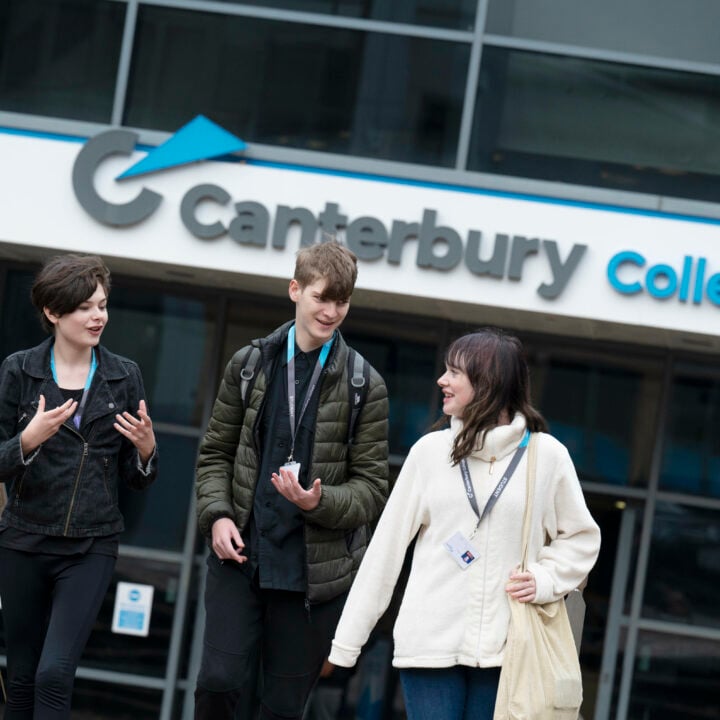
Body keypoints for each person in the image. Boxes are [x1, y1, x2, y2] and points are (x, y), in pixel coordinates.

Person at [328, 328, 601, 720]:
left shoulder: (547, 457)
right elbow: (384, 553)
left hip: (509, 649)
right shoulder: (430, 453)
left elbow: (581, 538)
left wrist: (545, 579)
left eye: (455, 372)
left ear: (488, 383)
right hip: (429, 644)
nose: (442, 380)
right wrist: (347, 643)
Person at [194, 240, 389, 720]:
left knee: (282, 709)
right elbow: (215, 453)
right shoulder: (249, 364)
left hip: (311, 579)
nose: (331, 312)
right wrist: (217, 516)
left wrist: (315, 502)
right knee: (217, 683)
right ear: (295, 290)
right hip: (240, 557)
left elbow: (371, 492)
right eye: (321, 297)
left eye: (341, 302)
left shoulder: (366, 384)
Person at [0, 253, 158, 720]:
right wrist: (27, 441)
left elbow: (135, 477)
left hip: (90, 544)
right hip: (23, 539)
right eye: (86, 307)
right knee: (24, 676)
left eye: (103, 305)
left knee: (54, 673)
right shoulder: (19, 371)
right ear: (53, 313)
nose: (98, 317)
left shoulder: (123, 375)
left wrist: (147, 451)